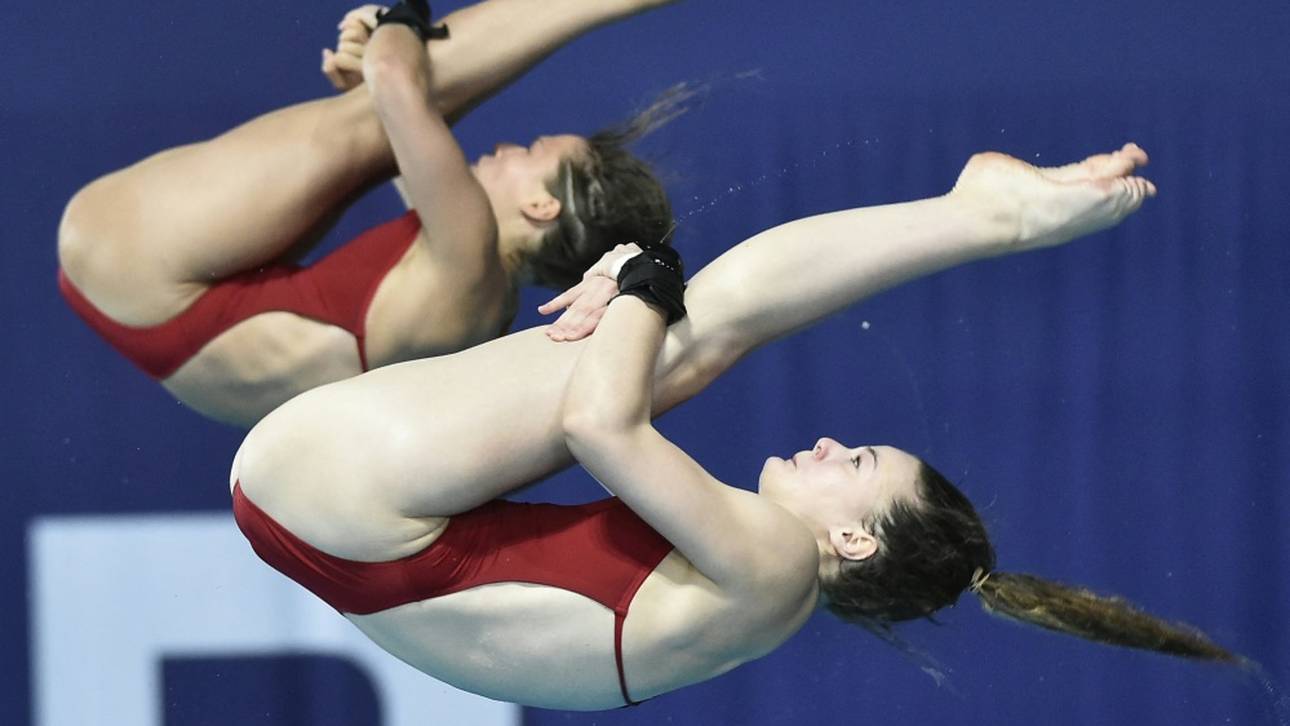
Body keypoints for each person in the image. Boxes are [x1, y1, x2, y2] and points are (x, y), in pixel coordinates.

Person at [231, 141, 1236, 711]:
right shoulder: (761, 605)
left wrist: (639, 276)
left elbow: (598, 426)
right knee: (684, 337)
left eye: (861, 465)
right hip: (332, 524)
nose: (836, 443)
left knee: (683, 328)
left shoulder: (778, 567)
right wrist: (637, 295)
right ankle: (981, 216)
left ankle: (985, 218)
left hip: (352, 504)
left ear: (853, 539)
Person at [56, 0, 679, 427]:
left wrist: (397, 18)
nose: (509, 146)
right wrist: (379, 70)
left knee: (389, 106)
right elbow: (394, 110)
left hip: (130, 262)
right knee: (384, 121)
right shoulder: (479, 298)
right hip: (161, 325)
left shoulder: (470, 252)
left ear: (540, 205)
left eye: (532, 151)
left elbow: (394, 76)